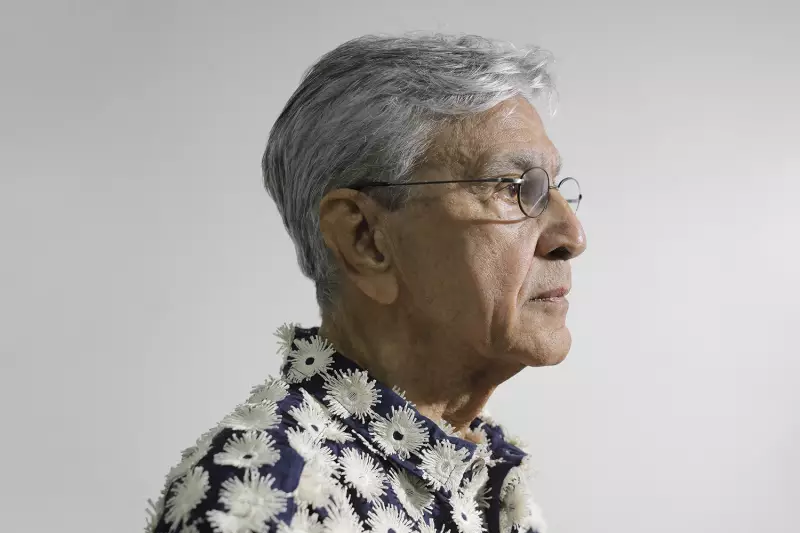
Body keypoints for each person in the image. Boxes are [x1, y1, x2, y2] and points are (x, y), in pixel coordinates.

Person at [146, 32, 586, 533]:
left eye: (553, 188)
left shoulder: (484, 476)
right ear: (365, 240)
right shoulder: (266, 492)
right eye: (515, 188)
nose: (572, 236)